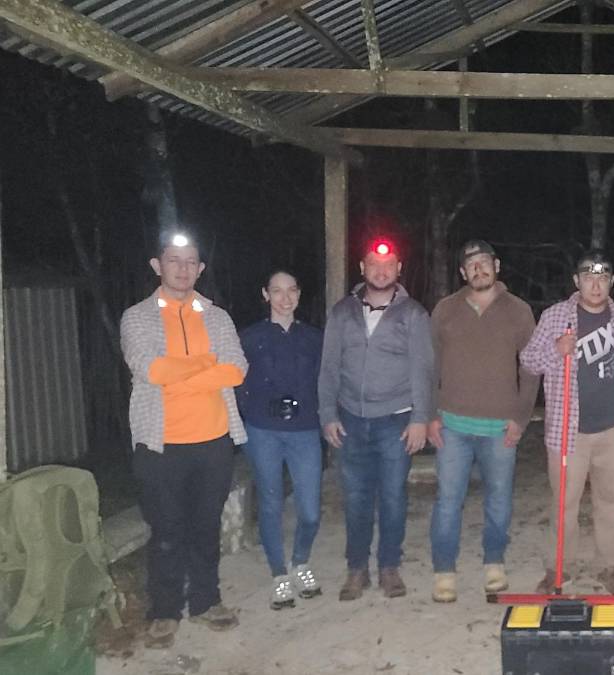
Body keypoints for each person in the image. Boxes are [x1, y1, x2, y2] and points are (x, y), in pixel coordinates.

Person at [120, 231, 247, 649]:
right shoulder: (136, 317)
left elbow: (236, 370)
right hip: (161, 445)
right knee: (167, 530)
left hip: (213, 442)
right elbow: (149, 369)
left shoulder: (217, 317)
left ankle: (207, 602)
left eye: (191, 261)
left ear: (201, 269)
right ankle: (164, 610)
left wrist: (184, 370)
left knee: (205, 527)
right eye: (174, 260)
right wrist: (207, 364)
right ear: (157, 265)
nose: (183, 268)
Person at [520, 249, 614, 595]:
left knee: (611, 504)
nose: (596, 284)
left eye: (603, 278)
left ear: (611, 282)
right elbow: (529, 361)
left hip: (613, 430)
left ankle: (607, 567)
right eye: (589, 278)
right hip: (567, 432)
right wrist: (556, 350)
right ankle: (558, 568)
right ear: (577, 281)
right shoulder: (555, 316)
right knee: (564, 505)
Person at [318, 238, 434, 602]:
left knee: (393, 497)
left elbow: (423, 370)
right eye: (373, 264)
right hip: (351, 419)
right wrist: (327, 413)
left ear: (398, 269)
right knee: (355, 498)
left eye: (389, 265)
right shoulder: (342, 313)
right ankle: (357, 569)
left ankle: (389, 567)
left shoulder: (414, 313)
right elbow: (329, 367)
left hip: (395, 421)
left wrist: (420, 418)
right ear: (362, 268)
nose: (381, 271)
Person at [427, 240, 539, 603]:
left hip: (499, 428)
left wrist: (521, 417)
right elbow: (430, 367)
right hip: (453, 426)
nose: (479, 269)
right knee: (447, 500)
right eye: (471, 264)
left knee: (499, 500)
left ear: (497, 265)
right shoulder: (445, 310)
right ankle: (444, 570)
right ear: (463, 272)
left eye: (484, 262)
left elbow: (532, 368)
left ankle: (494, 562)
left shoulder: (519, 311)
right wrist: (430, 415)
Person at [237, 270, 324, 610]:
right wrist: (249, 417)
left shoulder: (314, 338)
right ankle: (279, 575)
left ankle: (301, 561)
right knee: (271, 503)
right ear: (265, 294)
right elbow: (234, 382)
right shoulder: (249, 337)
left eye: (291, 290)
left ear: (299, 294)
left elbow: (325, 381)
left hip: (304, 431)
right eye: (277, 291)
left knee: (311, 509)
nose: (285, 298)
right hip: (262, 431)